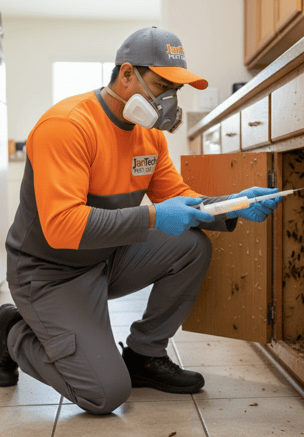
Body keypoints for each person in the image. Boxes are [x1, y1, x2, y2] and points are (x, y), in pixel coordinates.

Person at [0, 27, 281, 415]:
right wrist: (151, 215)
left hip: (104, 257)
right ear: (127, 74)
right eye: (161, 85)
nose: (168, 101)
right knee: (104, 394)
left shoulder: (150, 140)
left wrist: (230, 205)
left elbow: (178, 201)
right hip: (49, 272)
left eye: (175, 91)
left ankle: (144, 356)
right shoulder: (66, 126)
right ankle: (9, 331)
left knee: (190, 244)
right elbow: (62, 226)